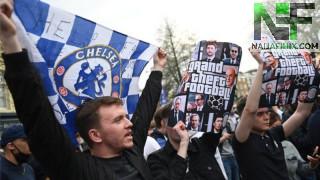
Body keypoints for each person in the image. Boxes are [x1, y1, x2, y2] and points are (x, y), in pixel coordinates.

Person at [0, 1, 167, 179]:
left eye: (125, 117)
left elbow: (145, 108)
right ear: (95, 135)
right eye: (118, 120)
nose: (130, 123)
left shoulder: (133, 151)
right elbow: (36, 113)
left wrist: (157, 69)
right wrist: (10, 39)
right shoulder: (77, 169)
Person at [233, 47, 314, 180]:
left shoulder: (273, 134)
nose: (267, 116)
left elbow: (302, 112)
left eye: (267, 112)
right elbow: (250, 110)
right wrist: (261, 66)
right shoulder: (242, 139)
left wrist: (312, 77)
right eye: (260, 114)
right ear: (243, 118)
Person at [147, 121, 225, 180]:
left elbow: (217, 121)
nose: (181, 125)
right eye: (174, 121)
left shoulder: (202, 144)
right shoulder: (156, 158)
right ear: (163, 124)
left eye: (184, 120)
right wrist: (184, 143)